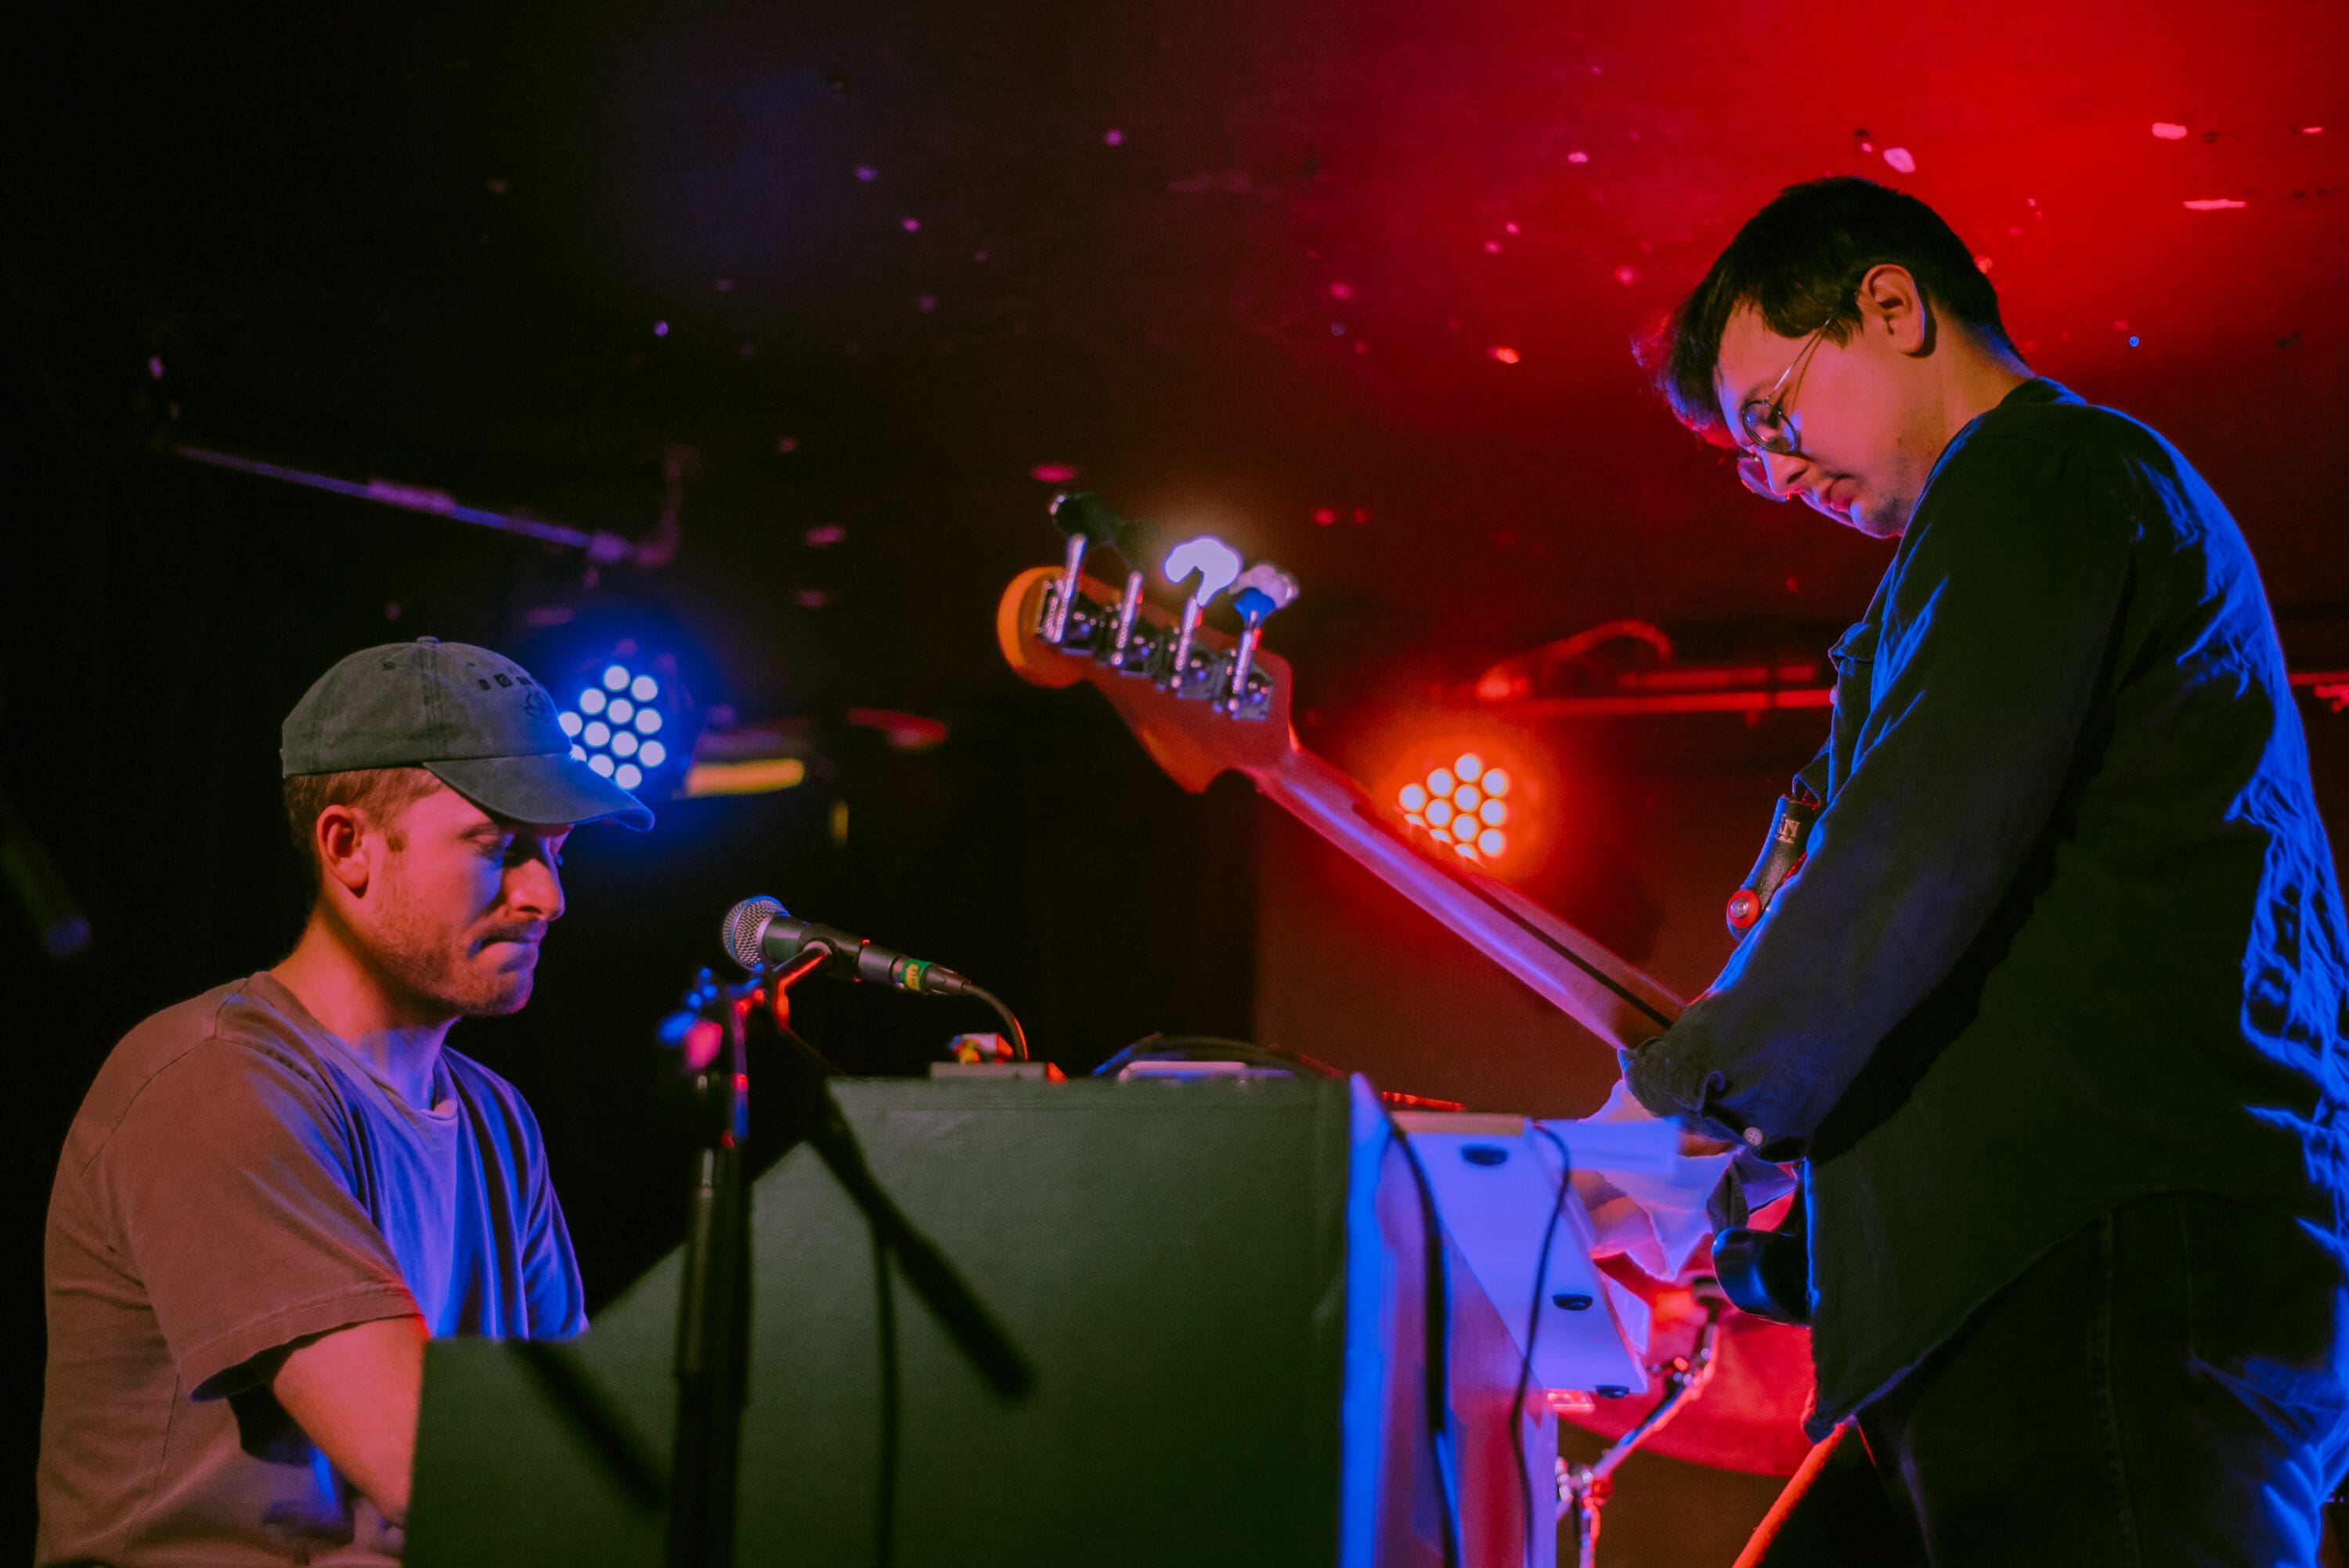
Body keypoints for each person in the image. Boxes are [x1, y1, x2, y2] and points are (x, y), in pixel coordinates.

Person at [1620, 175, 2349, 1564]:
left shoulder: (2048, 475)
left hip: (2102, 1262)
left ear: (1890, 305)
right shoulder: (1993, 544)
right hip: (2010, 1288)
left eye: (1773, 416)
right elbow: (1966, 969)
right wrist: (1749, 1241)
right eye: (1745, 455)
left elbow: (1916, 854)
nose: (1775, 476)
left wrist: (1668, 1115)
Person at [38, 637, 651, 1566]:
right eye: (500, 846)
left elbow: (561, 1440)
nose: (547, 895)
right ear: (348, 844)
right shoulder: (211, 1085)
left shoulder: (497, 1119)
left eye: (557, 855)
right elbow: (445, 1469)